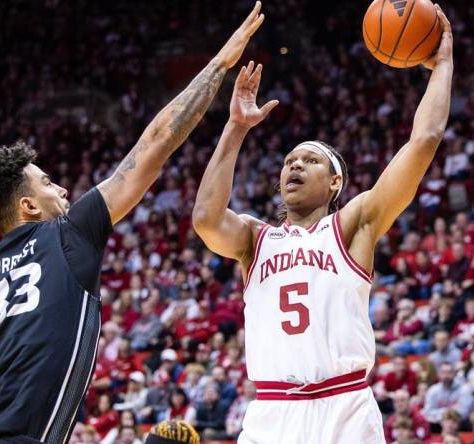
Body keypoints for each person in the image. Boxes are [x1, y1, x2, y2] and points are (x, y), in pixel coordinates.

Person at [0, 4, 267, 442]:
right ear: (28, 207)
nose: (61, 190)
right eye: (48, 183)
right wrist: (218, 64)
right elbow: (155, 141)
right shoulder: (68, 233)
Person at [191, 6, 453, 443]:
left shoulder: (354, 224)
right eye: (289, 160)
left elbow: (423, 141)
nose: (294, 166)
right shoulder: (256, 240)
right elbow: (206, 219)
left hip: (344, 408)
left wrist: (442, 64)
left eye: (309, 160)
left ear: (335, 181)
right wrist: (236, 127)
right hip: (272, 412)